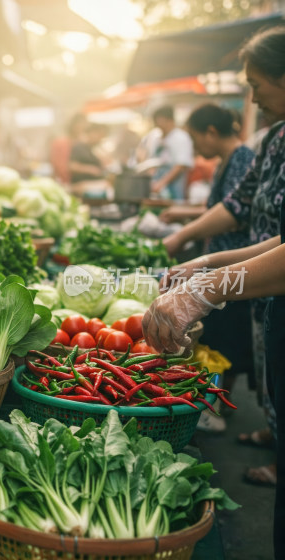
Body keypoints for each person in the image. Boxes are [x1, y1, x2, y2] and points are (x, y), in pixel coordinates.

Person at [141, 25, 285, 558]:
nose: (250, 98)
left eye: (257, 84)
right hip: (268, 299)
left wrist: (209, 283)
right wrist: (206, 259)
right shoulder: (275, 138)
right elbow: (259, 223)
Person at [160, 104, 256, 433]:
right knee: (220, 335)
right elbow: (215, 208)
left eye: (195, 137)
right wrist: (182, 215)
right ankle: (215, 402)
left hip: (234, 264)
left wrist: (183, 234)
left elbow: (232, 211)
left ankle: (216, 402)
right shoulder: (228, 161)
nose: (196, 147)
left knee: (225, 338)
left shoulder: (242, 158)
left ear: (211, 132)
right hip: (223, 262)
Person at [150, 105, 194, 200]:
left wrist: (161, 183)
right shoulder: (157, 138)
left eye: (158, 121)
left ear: (168, 120)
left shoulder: (181, 137)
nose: (157, 124)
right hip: (158, 189)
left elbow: (181, 165)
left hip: (175, 189)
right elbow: (152, 163)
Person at [49, 112, 87, 184]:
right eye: (79, 124)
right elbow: (59, 166)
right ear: (72, 125)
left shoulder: (84, 143)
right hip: (67, 182)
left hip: (82, 183)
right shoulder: (60, 143)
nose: (81, 127)